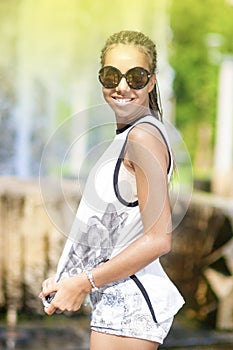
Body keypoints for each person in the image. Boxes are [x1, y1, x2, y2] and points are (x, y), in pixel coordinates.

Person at [40, 30, 184, 350]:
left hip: (130, 305)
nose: (121, 86)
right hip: (119, 300)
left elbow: (159, 238)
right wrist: (68, 278)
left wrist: (83, 283)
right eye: (111, 75)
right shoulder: (131, 135)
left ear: (151, 81)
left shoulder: (142, 138)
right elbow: (113, 230)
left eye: (135, 76)